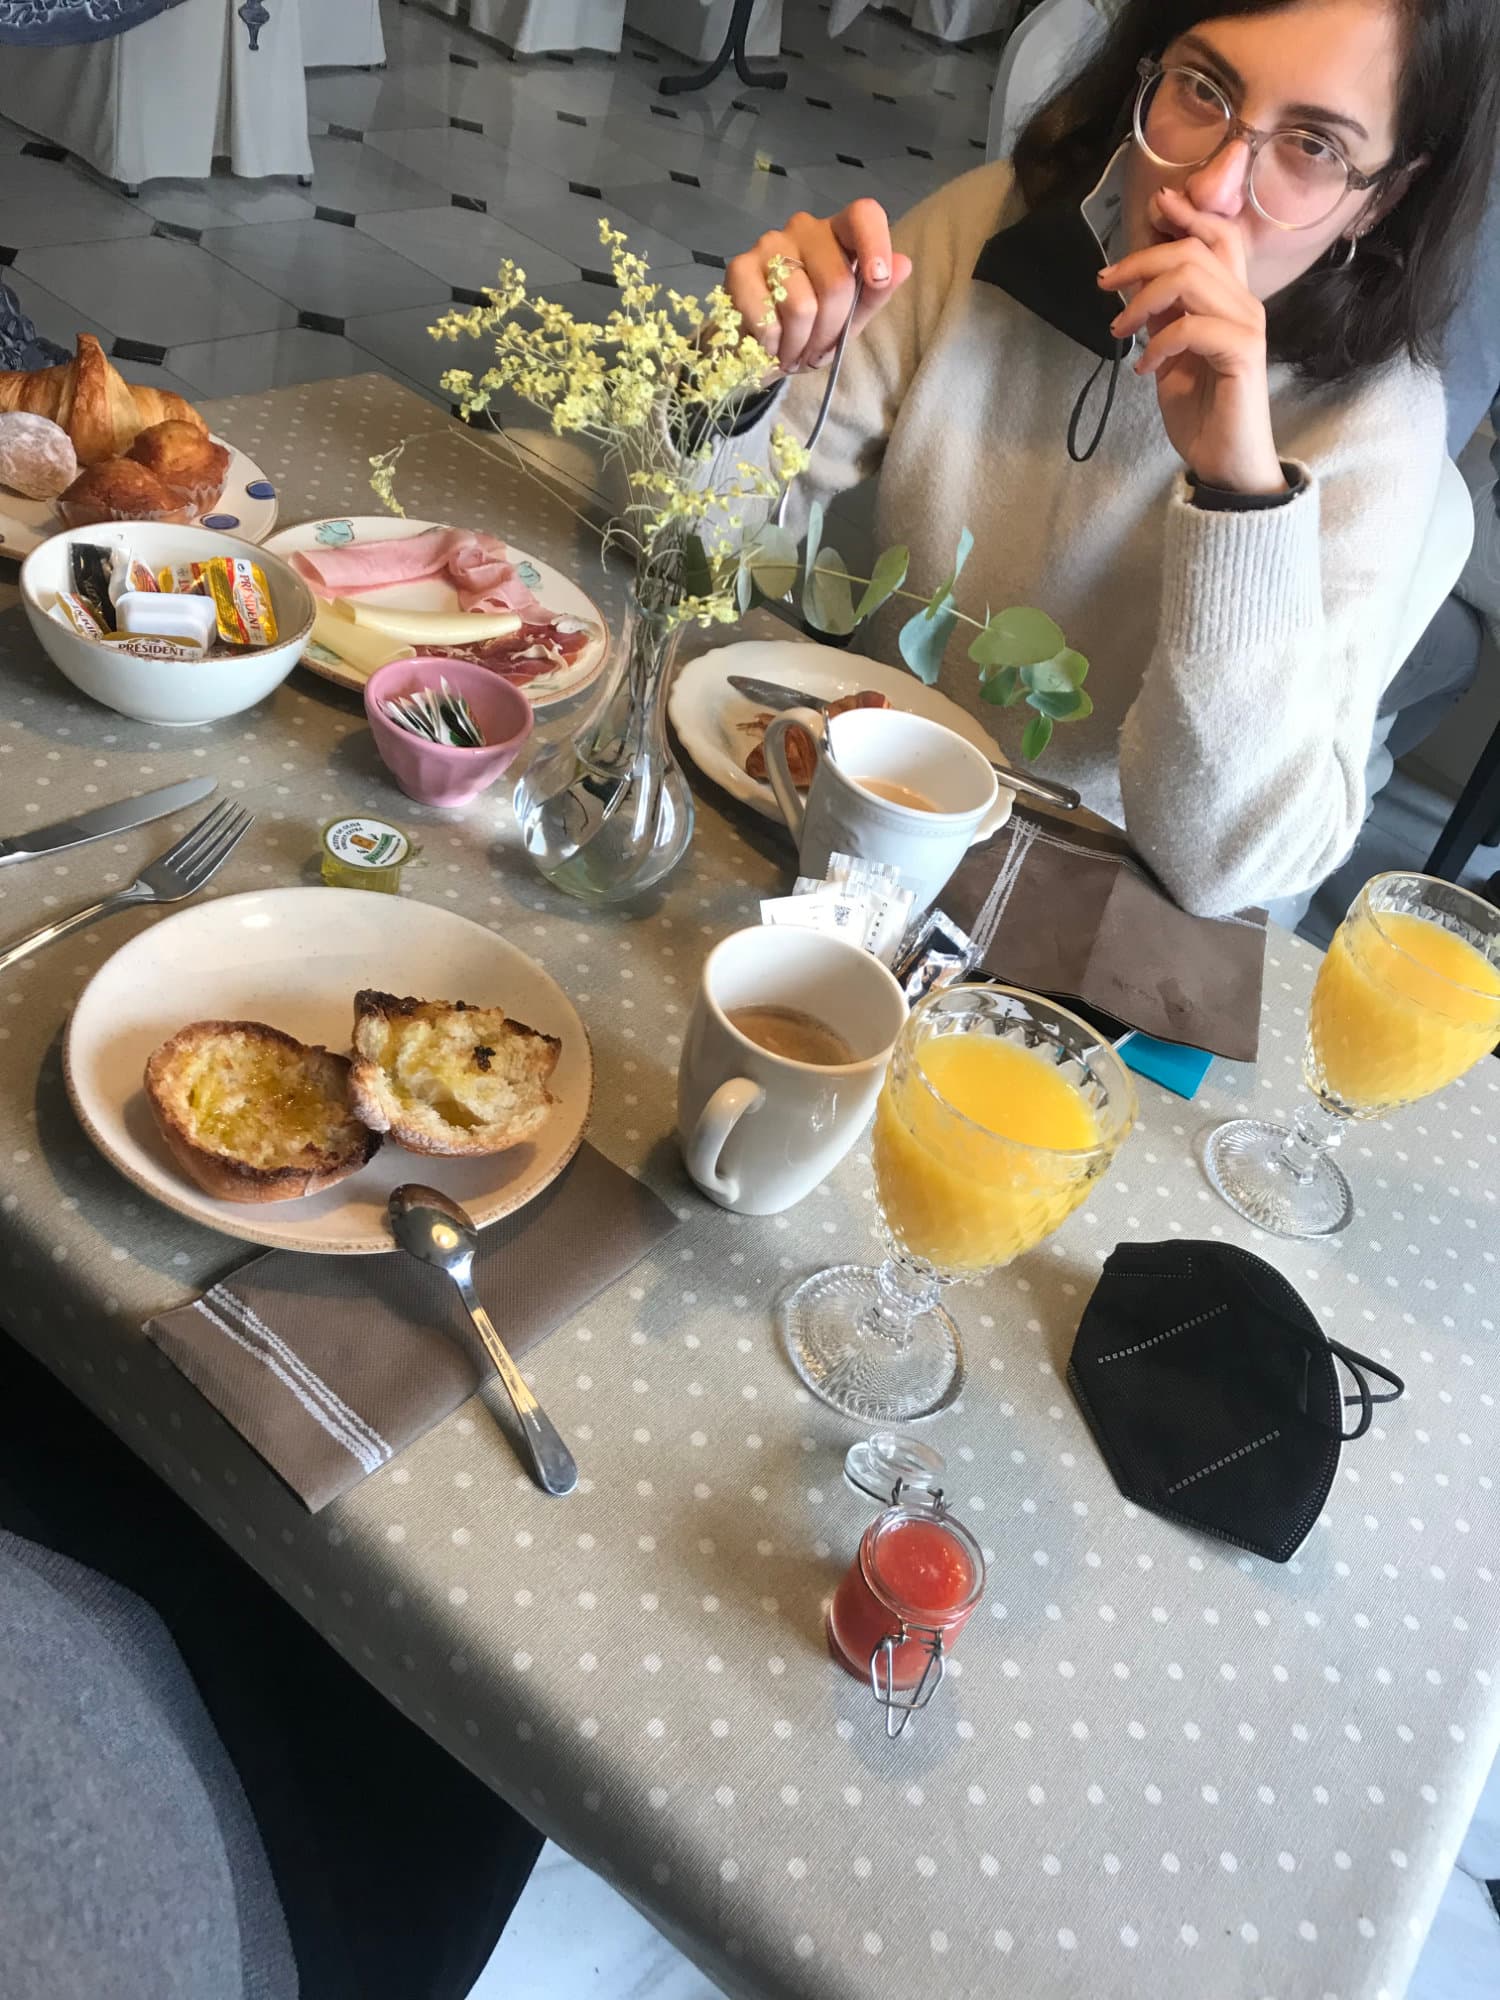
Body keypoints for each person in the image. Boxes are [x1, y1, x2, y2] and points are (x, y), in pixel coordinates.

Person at [722, 0, 1500, 915]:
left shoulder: (1377, 424)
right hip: (857, 824)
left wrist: (1240, 499)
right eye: (1203, 88)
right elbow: (673, 546)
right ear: (1147, 67)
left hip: (1096, 921)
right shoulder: (997, 227)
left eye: (1313, 147)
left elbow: (1224, 871)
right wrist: (737, 374)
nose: (1212, 190)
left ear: (1384, 195)